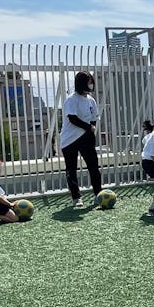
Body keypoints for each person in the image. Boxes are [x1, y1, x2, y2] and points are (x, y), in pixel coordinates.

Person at [59, 71, 102, 207]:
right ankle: (76, 197)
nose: (90, 84)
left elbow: (94, 118)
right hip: (69, 139)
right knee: (71, 169)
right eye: (88, 82)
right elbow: (72, 118)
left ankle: (98, 194)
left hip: (86, 138)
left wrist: (91, 130)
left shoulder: (91, 100)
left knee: (93, 166)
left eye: (91, 82)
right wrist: (88, 127)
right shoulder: (72, 99)